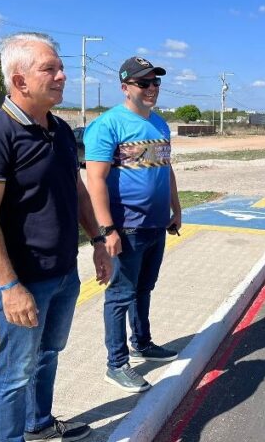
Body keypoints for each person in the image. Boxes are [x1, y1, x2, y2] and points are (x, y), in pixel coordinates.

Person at [0, 33, 112, 442]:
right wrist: (10, 287)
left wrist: (98, 241)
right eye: (50, 69)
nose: (62, 76)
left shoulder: (60, 130)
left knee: (48, 353)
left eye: (60, 67)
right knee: (14, 371)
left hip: (63, 272)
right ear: (20, 80)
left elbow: (77, 190)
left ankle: (39, 424)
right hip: (24, 279)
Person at [84, 56, 181, 393]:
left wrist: (176, 208)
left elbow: (166, 168)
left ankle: (142, 342)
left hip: (156, 224)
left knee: (144, 288)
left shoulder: (160, 124)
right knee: (120, 295)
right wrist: (107, 230)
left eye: (156, 82)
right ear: (125, 87)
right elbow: (95, 180)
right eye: (144, 83)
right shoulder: (108, 125)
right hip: (126, 227)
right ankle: (116, 364)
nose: (152, 88)